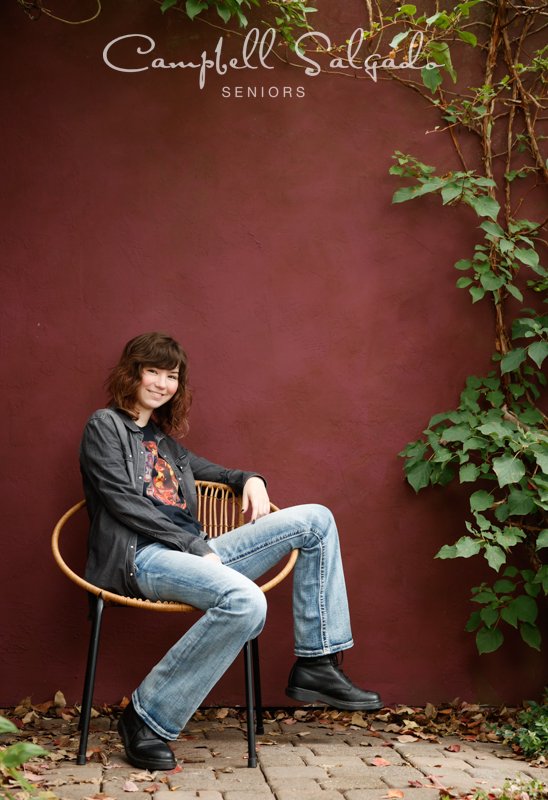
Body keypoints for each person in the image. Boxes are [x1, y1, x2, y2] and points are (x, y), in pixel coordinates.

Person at [80, 332, 383, 772]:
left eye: (172, 376)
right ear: (132, 373)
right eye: (154, 372)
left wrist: (251, 479)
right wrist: (194, 545)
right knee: (246, 602)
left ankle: (317, 663)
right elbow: (120, 501)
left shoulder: (163, 442)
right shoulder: (104, 426)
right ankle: (146, 718)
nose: (163, 384)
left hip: (196, 553)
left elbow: (220, 472)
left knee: (316, 519)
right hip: (142, 556)